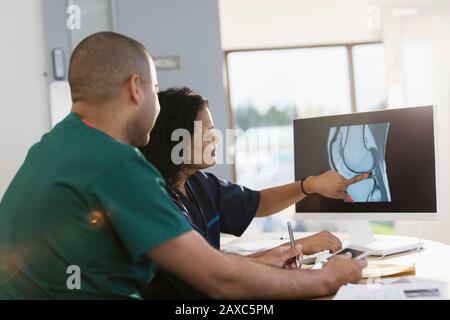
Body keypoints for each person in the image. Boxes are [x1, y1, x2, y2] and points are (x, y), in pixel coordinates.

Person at [0, 32, 365, 300]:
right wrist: (327, 279)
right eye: (154, 86)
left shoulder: (51, 148)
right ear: (135, 89)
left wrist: (306, 188)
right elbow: (218, 281)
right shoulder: (115, 165)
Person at [139, 87, 369, 298]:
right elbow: (212, 277)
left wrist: (309, 185)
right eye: (207, 131)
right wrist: (294, 251)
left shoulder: (200, 183)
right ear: (176, 139)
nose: (216, 138)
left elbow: (258, 203)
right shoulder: (157, 200)